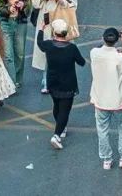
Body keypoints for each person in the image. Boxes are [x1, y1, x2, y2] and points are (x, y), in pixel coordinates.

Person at [89, 27, 122, 168]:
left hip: (100, 98)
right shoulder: (119, 57)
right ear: (117, 40)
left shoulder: (94, 53)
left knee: (102, 130)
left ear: (103, 38)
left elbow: (99, 49)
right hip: (118, 99)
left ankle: (106, 159)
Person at [37, 18, 86, 150]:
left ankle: (61, 127)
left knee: (57, 106)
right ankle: (57, 135)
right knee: (65, 110)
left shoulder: (48, 45)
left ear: (54, 32)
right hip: (68, 83)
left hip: (52, 82)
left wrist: (41, 28)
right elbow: (82, 62)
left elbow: (39, 43)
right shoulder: (72, 48)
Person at [30, 0, 79, 92]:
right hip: (46, 21)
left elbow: (73, 3)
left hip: (62, 21)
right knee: (47, 50)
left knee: (62, 51)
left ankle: (62, 80)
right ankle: (46, 81)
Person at [0, 0, 31, 89]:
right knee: (8, 55)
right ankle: (10, 82)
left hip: (20, 23)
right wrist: (8, 8)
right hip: (6, 23)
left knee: (20, 54)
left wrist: (23, 6)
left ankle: (17, 79)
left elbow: (29, 10)